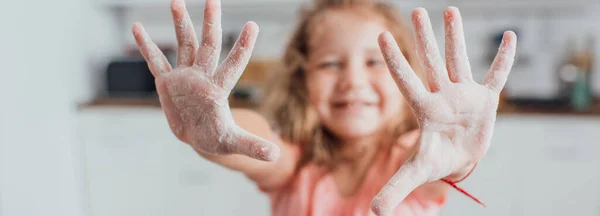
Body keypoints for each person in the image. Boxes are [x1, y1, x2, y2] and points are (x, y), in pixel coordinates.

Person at [131, 0, 517, 215]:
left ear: (408, 80)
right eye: (331, 63)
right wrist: (223, 126)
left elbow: (434, 163)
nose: (353, 81)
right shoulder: (295, 167)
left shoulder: (411, 159)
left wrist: (459, 157)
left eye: (375, 62)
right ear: (303, 81)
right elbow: (257, 144)